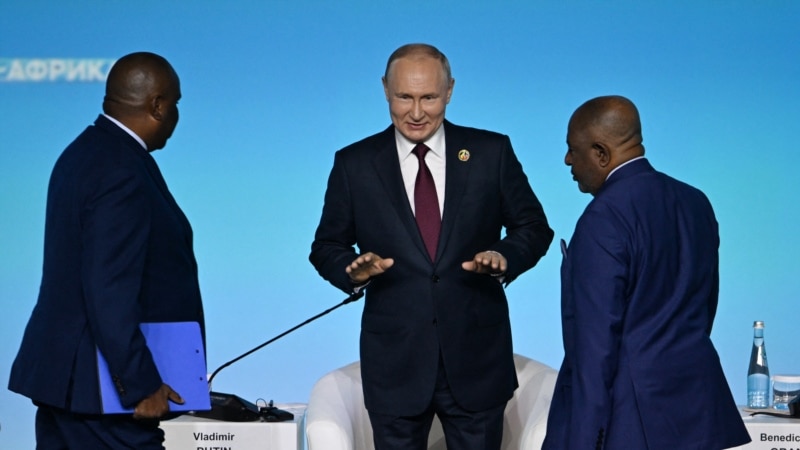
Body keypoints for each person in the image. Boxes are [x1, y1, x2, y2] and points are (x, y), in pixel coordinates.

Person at [310, 43, 553, 450]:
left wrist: (504, 256)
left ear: (450, 91)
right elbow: (326, 245)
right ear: (385, 89)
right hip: (395, 362)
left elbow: (533, 226)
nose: (417, 112)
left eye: (429, 98)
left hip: (477, 359)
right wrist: (352, 269)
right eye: (404, 97)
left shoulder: (490, 152)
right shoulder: (354, 164)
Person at [8, 52, 205, 449]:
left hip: (68, 386)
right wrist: (141, 383)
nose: (177, 115)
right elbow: (108, 289)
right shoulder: (121, 169)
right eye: (176, 103)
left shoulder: (83, 152)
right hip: (101, 398)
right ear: (157, 105)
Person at [542, 95, 750, 450]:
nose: (567, 160)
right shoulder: (695, 202)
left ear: (601, 153)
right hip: (698, 414)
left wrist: (583, 442)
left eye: (572, 149)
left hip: (631, 423)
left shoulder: (603, 218)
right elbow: (703, 310)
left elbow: (595, 350)